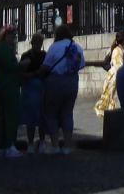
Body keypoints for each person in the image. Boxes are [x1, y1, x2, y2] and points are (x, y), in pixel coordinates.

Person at [39, 23, 85, 155]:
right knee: (67, 113)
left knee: (51, 113)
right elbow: (81, 65)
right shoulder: (77, 47)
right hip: (72, 82)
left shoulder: (55, 47)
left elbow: (46, 65)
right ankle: (67, 145)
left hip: (55, 82)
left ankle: (55, 145)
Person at [0, 25, 23, 158]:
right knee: (10, 117)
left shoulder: (1, 48)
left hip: (3, 87)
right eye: (12, 36)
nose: (14, 39)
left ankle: (3, 145)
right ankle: (10, 145)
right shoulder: (3, 49)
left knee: (3, 117)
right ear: (6, 36)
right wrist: (22, 65)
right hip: (7, 87)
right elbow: (11, 67)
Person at [18, 31, 48, 153]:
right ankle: (35, 143)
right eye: (36, 43)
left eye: (39, 43)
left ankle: (37, 142)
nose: (38, 45)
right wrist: (36, 73)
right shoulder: (31, 56)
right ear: (32, 43)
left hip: (35, 88)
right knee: (34, 117)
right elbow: (21, 73)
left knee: (38, 117)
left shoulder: (40, 55)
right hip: (33, 87)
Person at [94, 29, 124, 117]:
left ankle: (114, 118)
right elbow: (119, 66)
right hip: (116, 77)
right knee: (113, 98)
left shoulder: (119, 49)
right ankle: (113, 118)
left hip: (114, 76)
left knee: (112, 99)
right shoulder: (118, 50)